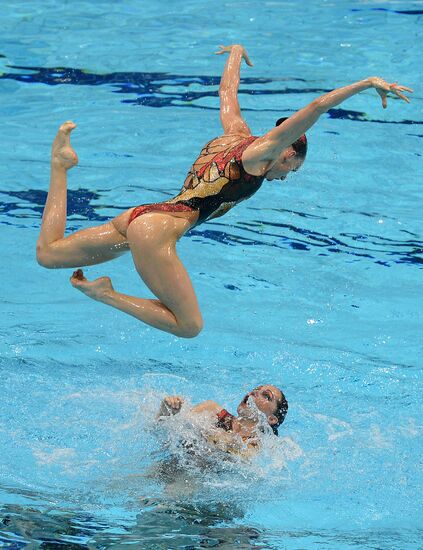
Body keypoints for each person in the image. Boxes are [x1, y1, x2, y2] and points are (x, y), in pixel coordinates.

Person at [36, 45, 412, 337]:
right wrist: (366, 83)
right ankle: (105, 293)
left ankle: (60, 165)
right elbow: (315, 106)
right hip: (156, 231)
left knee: (49, 255)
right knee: (189, 326)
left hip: (143, 215)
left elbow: (226, 92)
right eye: (289, 169)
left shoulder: (234, 133)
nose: (282, 178)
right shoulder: (260, 153)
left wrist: (234, 53)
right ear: (287, 151)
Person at [157, 384, 288, 456]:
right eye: (256, 389)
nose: (254, 393)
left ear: (271, 419)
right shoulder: (212, 410)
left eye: (266, 396)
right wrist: (167, 411)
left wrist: (217, 436)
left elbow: (243, 457)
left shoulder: (258, 446)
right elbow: (160, 430)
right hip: (168, 467)